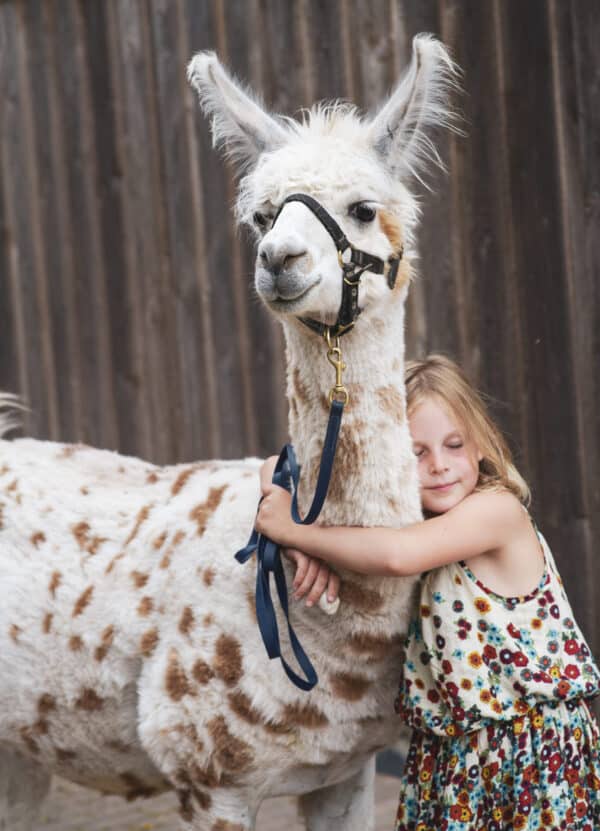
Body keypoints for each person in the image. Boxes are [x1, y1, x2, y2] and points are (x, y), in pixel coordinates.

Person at [255, 354, 600, 830]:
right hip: (452, 754)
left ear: (481, 443)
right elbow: (280, 463)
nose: (439, 466)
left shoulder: (497, 512)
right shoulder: (420, 521)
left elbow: (399, 556)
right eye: (417, 453)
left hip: (527, 751)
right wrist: (281, 508)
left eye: (454, 445)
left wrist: (296, 533)